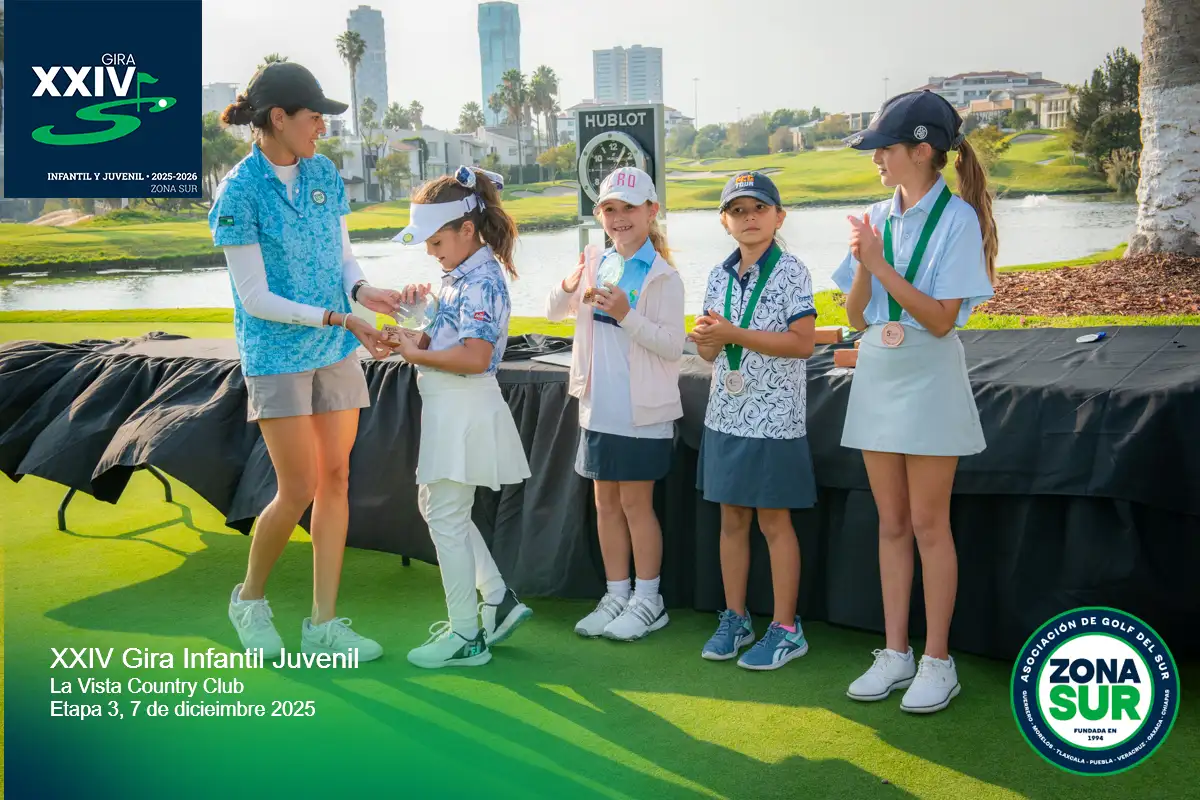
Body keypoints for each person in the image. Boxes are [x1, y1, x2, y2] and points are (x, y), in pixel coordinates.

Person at [209, 61, 399, 662]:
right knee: (298, 487)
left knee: (336, 479)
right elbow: (255, 298)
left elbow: (343, 257)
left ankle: (323, 624)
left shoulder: (322, 172)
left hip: (334, 350)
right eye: (314, 116)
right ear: (278, 118)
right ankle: (249, 599)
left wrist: (364, 292)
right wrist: (340, 318)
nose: (322, 127)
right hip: (277, 356)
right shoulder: (239, 190)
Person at [833, 90, 998, 713]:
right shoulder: (875, 216)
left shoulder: (958, 220)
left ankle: (937, 661)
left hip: (929, 372)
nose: (876, 159)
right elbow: (855, 316)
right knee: (893, 523)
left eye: (885, 148)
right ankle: (896, 652)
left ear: (922, 151)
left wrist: (879, 264)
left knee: (930, 524)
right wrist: (864, 265)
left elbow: (940, 319)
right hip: (879, 368)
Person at [391, 166, 534, 669]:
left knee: (446, 517)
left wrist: (416, 354)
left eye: (436, 241)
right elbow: (446, 338)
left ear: (466, 230)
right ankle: (496, 598)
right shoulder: (460, 275)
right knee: (438, 508)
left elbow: (475, 356)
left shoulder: (481, 279)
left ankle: (466, 635)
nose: (430, 252)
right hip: (450, 404)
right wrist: (413, 326)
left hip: (463, 404)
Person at [546, 166, 685, 641]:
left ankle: (649, 600)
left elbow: (672, 346)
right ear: (598, 213)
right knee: (605, 503)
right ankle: (616, 594)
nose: (619, 217)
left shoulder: (665, 276)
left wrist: (626, 315)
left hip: (642, 411)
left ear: (652, 211)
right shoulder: (594, 262)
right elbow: (553, 311)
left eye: (630, 208)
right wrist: (568, 285)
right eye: (610, 208)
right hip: (598, 406)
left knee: (635, 504)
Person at [690, 172, 818, 670]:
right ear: (724, 222)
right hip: (725, 414)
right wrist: (708, 339)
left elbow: (802, 343)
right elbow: (709, 354)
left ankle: (786, 628)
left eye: (759, 209)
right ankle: (736, 618)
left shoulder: (792, 271)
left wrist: (733, 334)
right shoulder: (718, 275)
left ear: (779, 217)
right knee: (732, 520)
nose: (749, 218)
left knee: (774, 522)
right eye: (738, 211)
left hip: (774, 419)